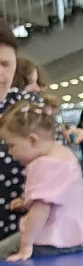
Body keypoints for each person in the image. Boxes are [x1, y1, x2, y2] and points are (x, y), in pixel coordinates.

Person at [0, 99, 83, 260]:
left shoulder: (43, 164)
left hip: (52, 241)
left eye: (11, 145)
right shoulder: (64, 154)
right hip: (72, 237)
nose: (10, 153)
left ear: (32, 140)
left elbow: (41, 209)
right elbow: (58, 195)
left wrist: (26, 245)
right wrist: (28, 201)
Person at [0, 22, 51, 246]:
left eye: (6, 64)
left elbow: (59, 162)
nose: (1, 73)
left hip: (26, 236)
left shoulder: (28, 107)